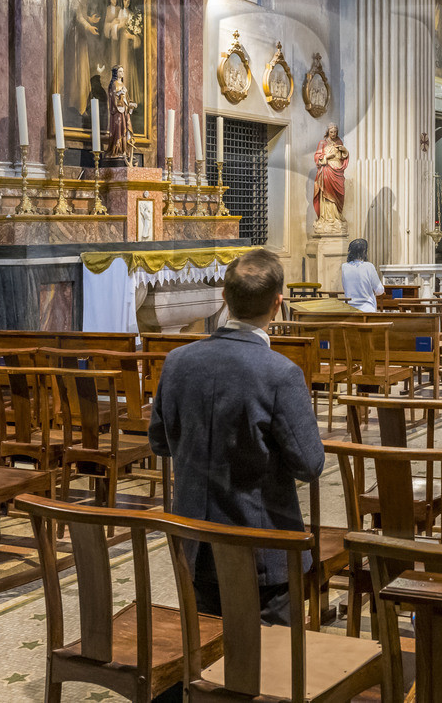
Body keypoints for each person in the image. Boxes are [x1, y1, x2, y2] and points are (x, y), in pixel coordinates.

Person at [148, 249, 323, 626]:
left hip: (196, 544)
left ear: (225, 298)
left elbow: (160, 443)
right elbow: (309, 465)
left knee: (209, 649)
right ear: (277, 304)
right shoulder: (281, 373)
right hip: (263, 550)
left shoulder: (177, 362)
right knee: (272, 657)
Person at [340, 238, 383, 312]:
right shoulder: (369, 266)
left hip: (349, 308)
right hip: (367, 308)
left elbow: (345, 287)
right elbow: (379, 290)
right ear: (364, 252)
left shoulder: (344, 266)